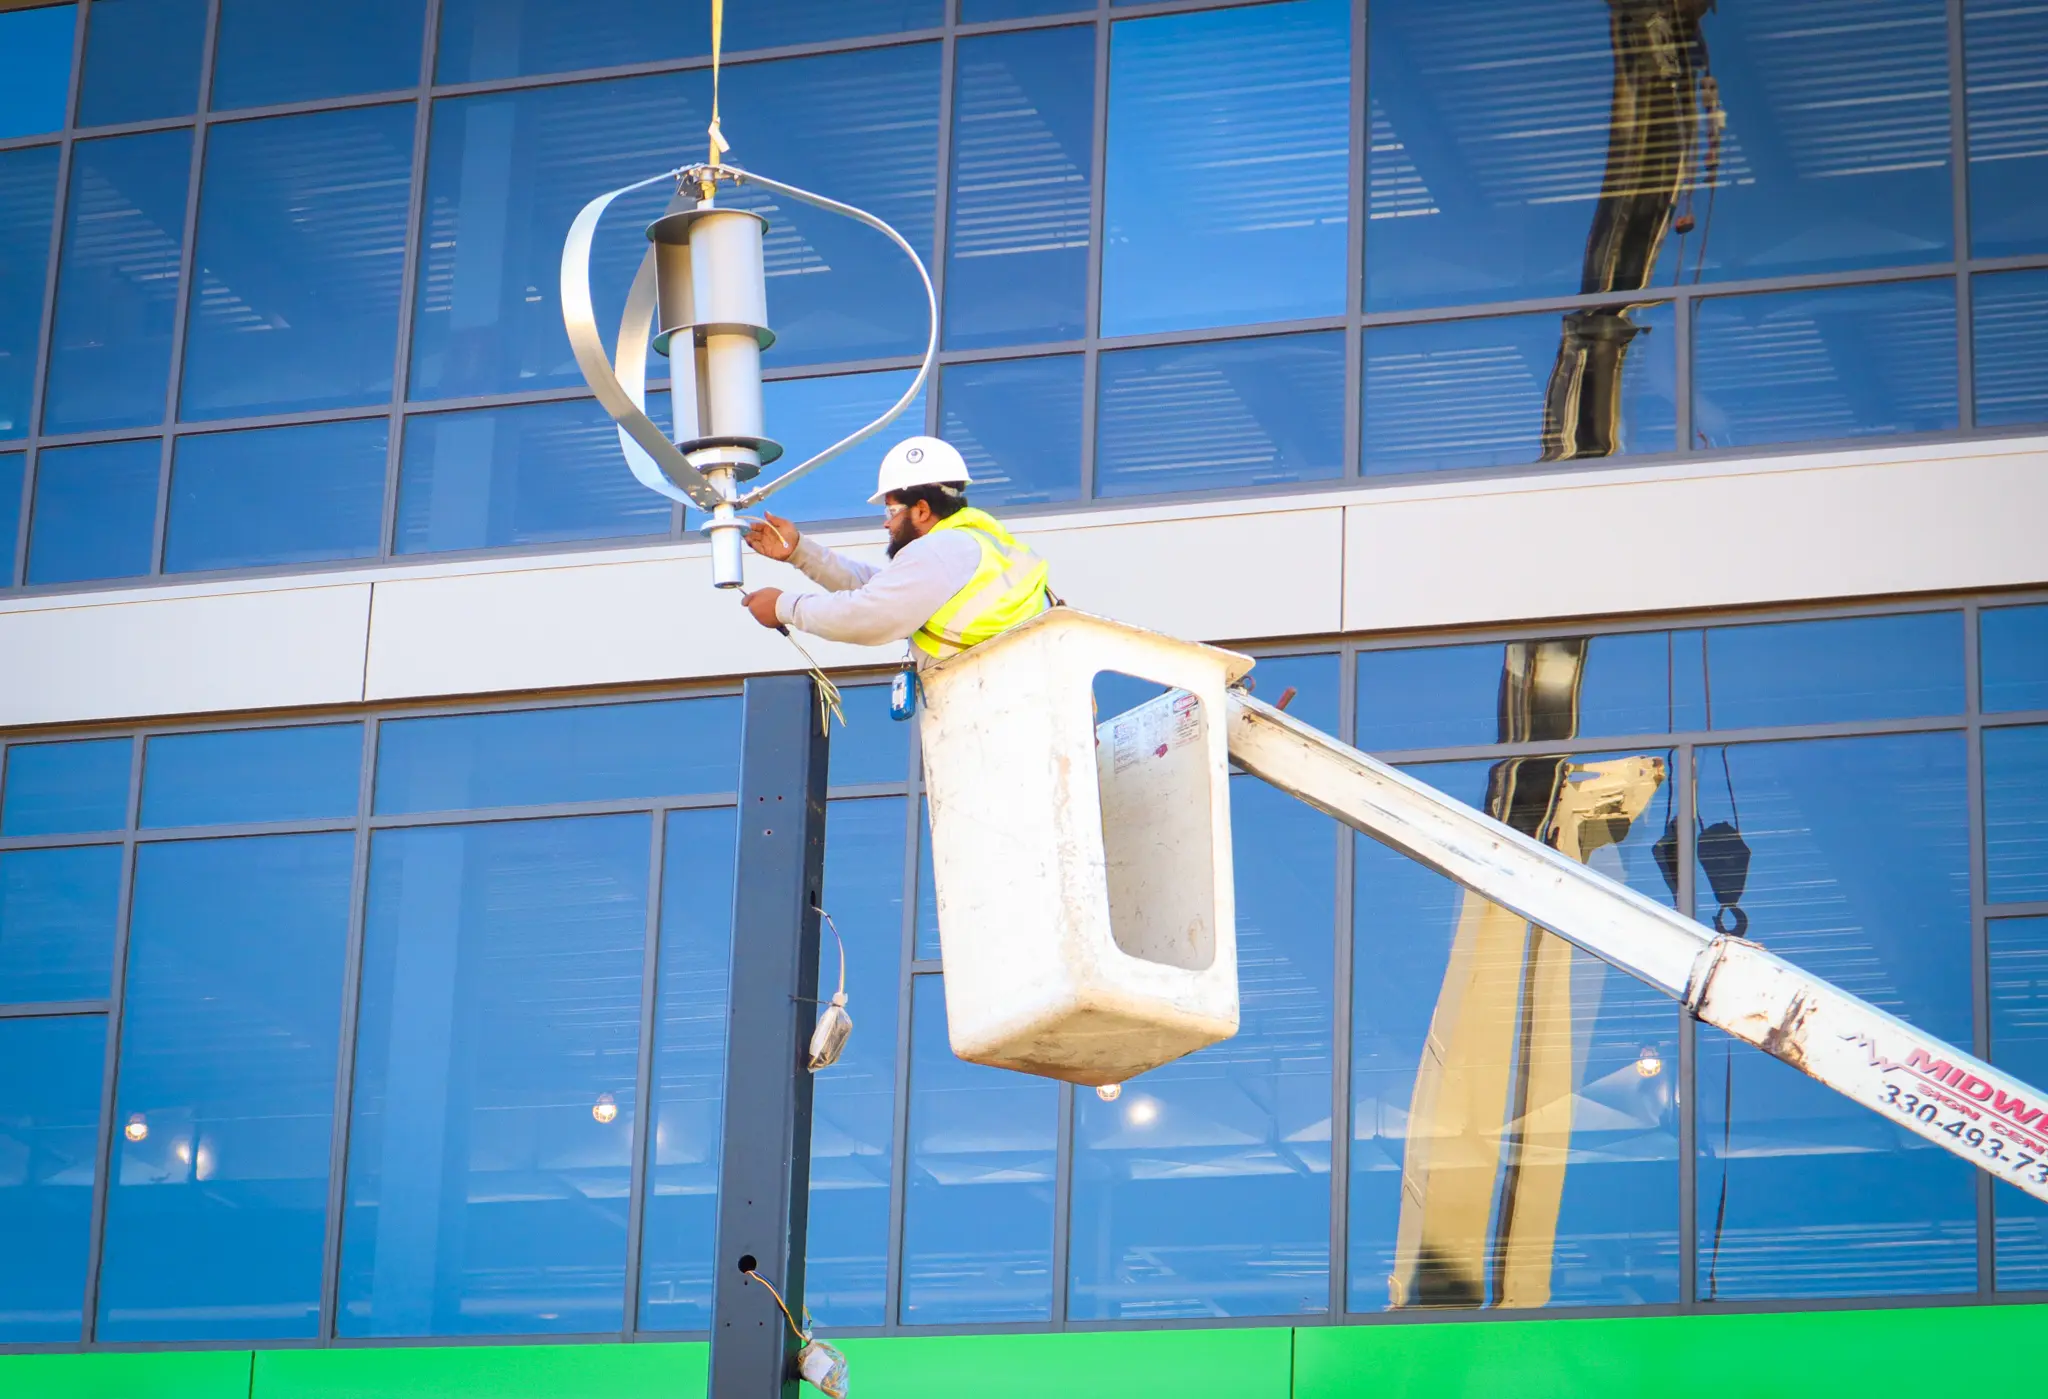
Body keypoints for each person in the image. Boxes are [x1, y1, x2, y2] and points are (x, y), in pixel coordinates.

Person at [739, 435, 1052, 663]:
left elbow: (870, 612)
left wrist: (784, 607)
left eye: (891, 512)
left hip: (996, 712)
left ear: (921, 510)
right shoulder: (975, 544)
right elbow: (884, 590)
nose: (886, 525)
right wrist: (800, 552)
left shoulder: (940, 550)